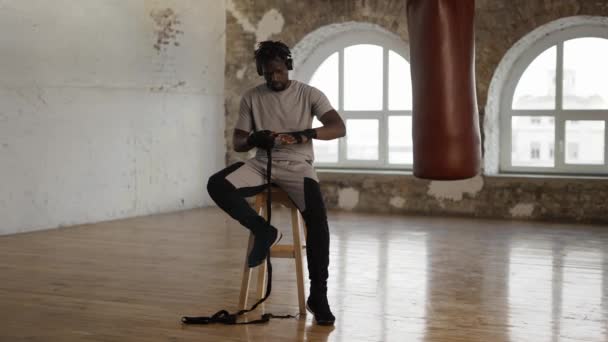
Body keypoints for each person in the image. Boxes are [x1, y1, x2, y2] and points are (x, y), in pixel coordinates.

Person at [206, 40, 345, 325]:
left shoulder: (309, 94)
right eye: (267, 74)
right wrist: (256, 139)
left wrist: (305, 134)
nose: (274, 78)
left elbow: (338, 127)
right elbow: (239, 141)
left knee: (317, 219)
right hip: (262, 164)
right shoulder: (252, 97)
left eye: (278, 71)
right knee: (217, 184)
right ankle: (263, 231)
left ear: (288, 66)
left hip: (297, 166)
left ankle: (318, 295)